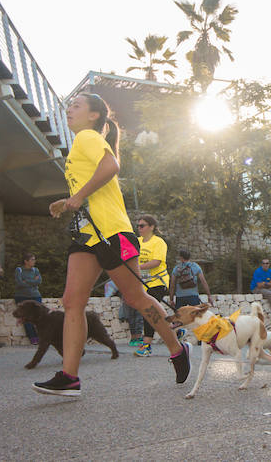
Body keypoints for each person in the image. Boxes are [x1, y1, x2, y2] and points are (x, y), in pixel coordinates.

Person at [32, 93, 189, 396]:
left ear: (93, 116)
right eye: (69, 106)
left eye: (76, 105)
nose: (69, 110)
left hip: (110, 231)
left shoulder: (87, 137)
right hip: (87, 234)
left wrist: (76, 197)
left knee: (135, 298)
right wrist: (69, 201)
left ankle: (176, 348)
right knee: (71, 301)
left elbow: (111, 166)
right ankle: (70, 377)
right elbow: (95, 187)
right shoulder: (83, 141)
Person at [133, 215, 171, 357]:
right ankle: (176, 330)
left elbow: (156, 262)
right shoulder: (137, 242)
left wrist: (137, 267)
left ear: (152, 227)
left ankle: (146, 345)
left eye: (142, 226)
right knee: (150, 311)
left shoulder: (158, 242)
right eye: (138, 226)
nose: (139, 228)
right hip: (143, 283)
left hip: (157, 282)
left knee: (149, 311)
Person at [14, 252, 43, 344]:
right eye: (32, 259)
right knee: (27, 317)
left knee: (39, 316)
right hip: (23, 295)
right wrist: (32, 281)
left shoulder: (36, 270)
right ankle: (33, 338)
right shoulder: (19, 270)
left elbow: (38, 281)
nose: (34, 261)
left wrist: (26, 281)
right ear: (26, 261)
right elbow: (19, 283)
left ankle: (41, 336)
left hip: (35, 295)